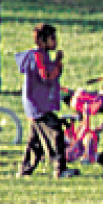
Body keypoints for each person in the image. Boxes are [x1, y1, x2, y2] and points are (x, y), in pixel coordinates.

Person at [15, 23, 73, 178]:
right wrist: (59, 64)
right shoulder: (38, 56)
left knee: (35, 142)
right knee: (56, 134)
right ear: (41, 41)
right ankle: (59, 168)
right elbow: (46, 75)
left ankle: (24, 169)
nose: (56, 42)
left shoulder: (39, 55)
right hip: (39, 105)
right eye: (52, 38)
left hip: (36, 105)